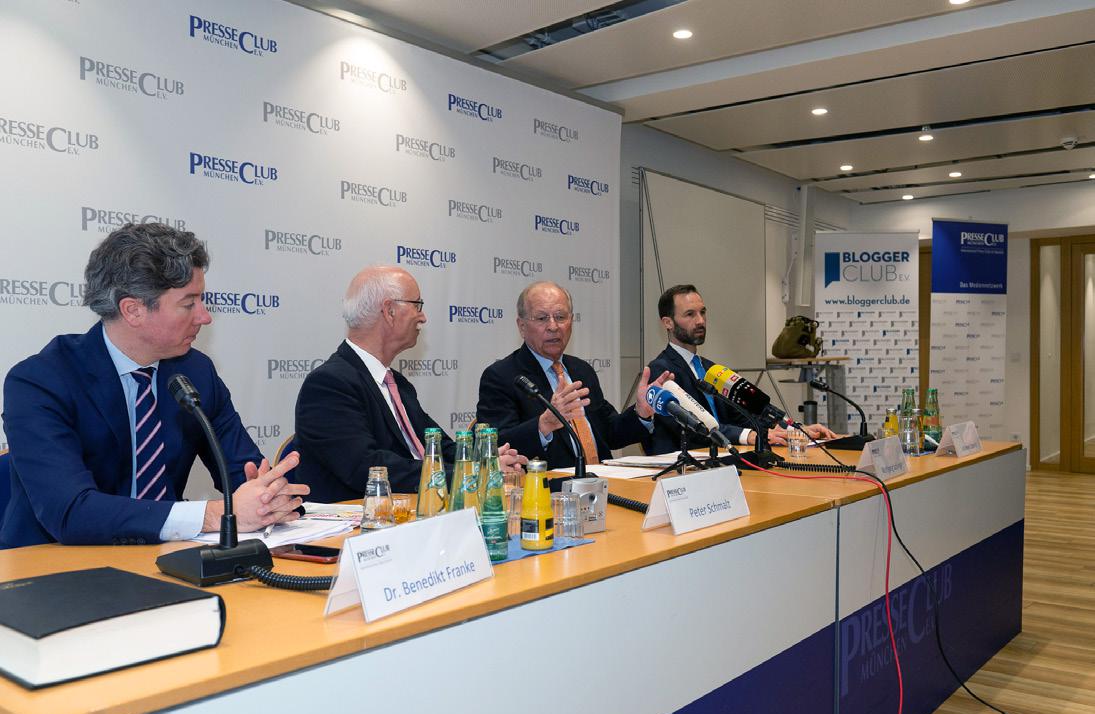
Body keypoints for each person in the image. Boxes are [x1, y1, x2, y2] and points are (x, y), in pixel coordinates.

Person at [0, 223, 306, 549]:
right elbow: (71, 512)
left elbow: (243, 471)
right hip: (52, 564)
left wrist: (268, 496)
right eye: (189, 304)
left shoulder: (195, 372)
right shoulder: (40, 381)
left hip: (162, 557)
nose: (205, 317)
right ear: (133, 310)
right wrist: (216, 515)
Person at [295, 265, 525, 500]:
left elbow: (439, 446)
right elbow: (367, 468)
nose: (423, 317)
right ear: (389, 311)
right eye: (417, 305)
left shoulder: (397, 383)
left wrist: (485, 460)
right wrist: (472, 473)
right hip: (360, 517)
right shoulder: (329, 384)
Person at [477, 281, 671, 469]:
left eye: (560, 317)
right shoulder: (502, 376)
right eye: (542, 318)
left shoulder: (581, 370)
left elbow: (610, 433)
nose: (553, 326)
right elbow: (496, 447)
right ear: (522, 326)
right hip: (551, 486)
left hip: (604, 480)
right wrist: (544, 424)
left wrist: (641, 412)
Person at [646, 284, 837, 455]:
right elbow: (692, 426)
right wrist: (749, 436)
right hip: (686, 467)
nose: (700, 321)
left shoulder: (711, 368)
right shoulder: (661, 371)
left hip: (725, 457)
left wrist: (795, 430)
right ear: (668, 323)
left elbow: (743, 415)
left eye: (702, 312)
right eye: (690, 314)